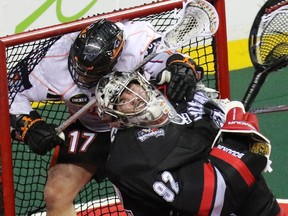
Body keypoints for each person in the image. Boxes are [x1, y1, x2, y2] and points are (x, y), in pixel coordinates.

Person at [9, 18, 201, 215]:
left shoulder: (137, 42)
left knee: (163, 188)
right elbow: (8, 93)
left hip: (142, 122)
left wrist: (181, 69)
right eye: (80, 69)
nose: (83, 77)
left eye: (92, 74)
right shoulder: (51, 61)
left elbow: (172, 60)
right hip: (94, 127)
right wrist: (29, 126)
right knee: (56, 194)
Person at [94, 71, 285, 216]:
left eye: (132, 88)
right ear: (115, 118)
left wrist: (220, 116)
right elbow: (212, 197)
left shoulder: (177, 97)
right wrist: (243, 134)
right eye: (121, 100)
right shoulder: (131, 157)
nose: (133, 97)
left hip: (253, 202)